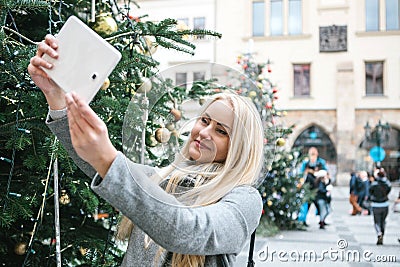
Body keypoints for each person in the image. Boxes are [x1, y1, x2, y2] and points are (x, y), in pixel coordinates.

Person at [28, 35, 265, 266]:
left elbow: (189, 230)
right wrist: (56, 97)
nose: (204, 132)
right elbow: (96, 163)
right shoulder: (163, 177)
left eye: (221, 131)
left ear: (240, 148)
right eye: (204, 120)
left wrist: (109, 158)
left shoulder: (244, 199)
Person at [298, 147, 327, 226]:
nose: (313, 156)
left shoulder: (321, 162)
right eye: (311, 154)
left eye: (314, 154)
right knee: (306, 204)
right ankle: (303, 220)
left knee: (320, 204)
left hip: (318, 187)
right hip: (308, 187)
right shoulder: (306, 162)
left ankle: (322, 220)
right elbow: (301, 173)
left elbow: (326, 172)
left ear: (317, 154)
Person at [369, 168, 391, 245]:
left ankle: (379, 233)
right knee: (383, 221)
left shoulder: (374, 184)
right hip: (385, 204)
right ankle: (382, 234)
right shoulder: (387, 183)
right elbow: (388, 190)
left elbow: (370, 192)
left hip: (375, 204)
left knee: (377, 221)